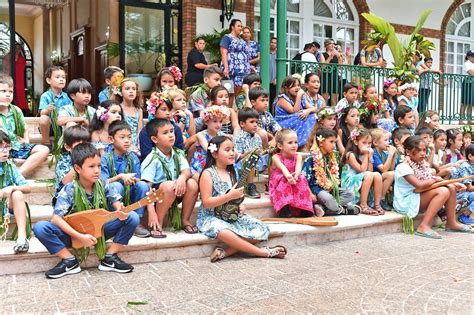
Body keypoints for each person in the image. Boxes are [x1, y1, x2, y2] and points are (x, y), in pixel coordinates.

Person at [33, 143, 139, 278]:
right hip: (73, 234)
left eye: (99, 166)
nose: (97, 171)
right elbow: (56, 218)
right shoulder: (69, 189)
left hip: (99, 230)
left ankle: (109, 258)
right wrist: (80, 237)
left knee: (132, 217)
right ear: (77, 168)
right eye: (91, 166)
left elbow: (117, 203)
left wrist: (120, 210)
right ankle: (69, 261)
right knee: (40, 227)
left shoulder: (104, 184)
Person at [197, 135, 287, 262]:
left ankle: (225, 252)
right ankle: (262, 253)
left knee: (261, 229)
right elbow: (206, 203)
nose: (232, 153)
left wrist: (239, 206)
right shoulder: (208, 173)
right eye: (227, 150)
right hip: (211, 216)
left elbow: (236, 197)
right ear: (215, 154)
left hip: (230, 215)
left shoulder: (232, 171)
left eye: (233, 149)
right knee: (222, 231)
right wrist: (229, 196)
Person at [393, 135, 472, 239]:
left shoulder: (422, 164)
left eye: (424, 150)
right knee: (443, 191)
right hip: (406, 201)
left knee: (451, 188)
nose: (423, 153)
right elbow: (420, 185)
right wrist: (437, 179)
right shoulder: (403, 167)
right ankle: (423, 226)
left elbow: (429, 183)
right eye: (418, 150)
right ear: (408, 152)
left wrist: (451, 184)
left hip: (418, 195)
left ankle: (451, 223)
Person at [140, 119, 198, 236]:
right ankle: (159, 223)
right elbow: (146, 187)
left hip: (176, 191)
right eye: (165, 133)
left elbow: (187, 171)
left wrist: (182, 178)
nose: (171, 135)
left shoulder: (177, 153)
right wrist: (151, 212)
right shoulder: (152, 158)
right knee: (169, 185)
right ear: (154, 139)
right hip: (157, 197)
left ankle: (185, 220)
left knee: (192, 183)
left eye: (172, 131)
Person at [101, 120, 153, 238]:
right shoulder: (105, 158)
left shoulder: (133, 157)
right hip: (111, 199)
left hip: (129, 195)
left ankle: (136, 222)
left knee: (143, 186)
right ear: (111, 139)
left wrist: (133, 180)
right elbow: (102, 183)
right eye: (122, 137)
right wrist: (120, 177)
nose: (127, 140)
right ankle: (114, 220)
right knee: (117, 186)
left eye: (129, 137)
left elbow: (138, 179)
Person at [0, 74, 50, 176]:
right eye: (3, 91)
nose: (8, 94)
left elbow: (25, 129)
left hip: (15, 147)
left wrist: (26, 140)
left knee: (44, 150)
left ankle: (17, 175)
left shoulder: (16, 110)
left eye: (11, 92)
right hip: (1, 148)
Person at [302, 128, 359, 216]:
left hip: (331, 189)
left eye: (335, 142)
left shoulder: (331, 157)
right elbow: (303, 179)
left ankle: (324, 208)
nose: (334, 145)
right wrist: (310, 193)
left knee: (350, 194)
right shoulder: (311, 158)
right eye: (331, 142)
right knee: (328, 199)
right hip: (317, 190)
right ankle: (344, 210)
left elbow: (333, 177)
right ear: (321, 143)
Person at [269, 129, 313, 217]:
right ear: (280, 146)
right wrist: (289, 177)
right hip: (280, 181)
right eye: (290, 143)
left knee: (301, 178)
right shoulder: (276, 157)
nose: (294, 145)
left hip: (293, 178)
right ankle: (284, 209)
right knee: (284, 178)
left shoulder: (298, 156)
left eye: (295, 142)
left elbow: (298, 170)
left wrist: (296, 176)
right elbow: (283, 168)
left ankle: (303, 208)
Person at [340, 128, 385, 215]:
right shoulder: (350, 155)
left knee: (377, 175)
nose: (367, 146)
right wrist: (366, 155)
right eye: (364, 143)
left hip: (362, 177)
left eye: (369, 143)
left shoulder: (366, 153)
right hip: (349, 182)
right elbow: (362, 170)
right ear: (356, 142)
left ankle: (377, 204)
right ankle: (363, 205)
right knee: (368, 175)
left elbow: (370, 171)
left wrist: (370, 158)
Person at [0, 130, 31, 254]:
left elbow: (27, 187)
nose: (5, 151)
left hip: (7, 205)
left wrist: (11, 188)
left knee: (17, 193)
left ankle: (22, 238)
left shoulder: (9, 165)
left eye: (7, 147)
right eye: (0, 147)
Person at [274, 75, 317, 148]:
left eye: (298, 85)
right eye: (294, 86)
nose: (297, 88)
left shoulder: (300, 98)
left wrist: (308, 110)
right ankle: (300, 143)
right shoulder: (282, 98)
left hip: (295, 120)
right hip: (283, 121)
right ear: (286, 88)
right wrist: (299, 96)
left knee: (312, 116)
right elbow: (294, 111)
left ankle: (310, 141)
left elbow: (315, 109)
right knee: (300, 115)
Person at [139, 92, 184, 160]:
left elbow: (180, 151)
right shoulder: (146, 131)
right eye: (163, 110)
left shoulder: (176, 129)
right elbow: (146, 155)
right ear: (154, 111)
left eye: (169, 110)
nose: (168, 113)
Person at [54, 125, 91, 205]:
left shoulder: (91, 158)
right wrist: (79, 163)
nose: (83, 148)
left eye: (85, 144)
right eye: (79, 145)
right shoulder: (64, 161)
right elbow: (65, 182)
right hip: (65, 199)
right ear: (67, 147)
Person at [233, 107, 265, 199]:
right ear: (242, 124)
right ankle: (250, 186)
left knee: (274, 157)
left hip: (257, 164)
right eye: (252, 122)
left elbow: (261, 152)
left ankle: (271, 185)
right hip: (242, 166)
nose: (255, 125)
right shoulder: (238, 137)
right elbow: (238, 158)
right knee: (251, 158)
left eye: (256, 122)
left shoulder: (258, 137)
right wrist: (251, 152)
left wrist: (263, 152)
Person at [191, 105, 229, 178]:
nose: (218, 125)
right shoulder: (200, 135)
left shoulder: (222, 135)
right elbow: (209, 149)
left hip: (216, 163)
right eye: (215, 121)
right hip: (202, 164)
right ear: (206, 122)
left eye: (220, 121)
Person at [39, 66, 72, 146]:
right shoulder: (45, 96)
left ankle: (65, 146)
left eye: (63, 77)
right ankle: (46, 143)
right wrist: (47, 110)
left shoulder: (67, 96)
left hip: (63, 126)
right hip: (50, 127)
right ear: (48, 80)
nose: (61, 79)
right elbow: (42, 113)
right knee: (44, 118)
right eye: (57, 77)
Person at [220, 19, 250, 102]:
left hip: (242, 71)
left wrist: (248, 66)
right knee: (229, 92)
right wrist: (226, 67)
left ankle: (238, 112)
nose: (241, 28)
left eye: (241, 26)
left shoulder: (242, 40)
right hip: (231, 70)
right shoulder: (227, 37)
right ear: (232, 27)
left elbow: (246, 55)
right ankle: (228, 111)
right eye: (238, 26)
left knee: (239, 92)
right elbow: (223, 52)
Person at [111, 78, 143, 152]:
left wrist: (139, 145)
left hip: (136, 144)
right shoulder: (118, 109)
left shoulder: (139, 110)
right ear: (121, 93)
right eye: (127, 89)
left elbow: (139, 130)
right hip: (122, 142)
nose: (131, 91)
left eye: (133, 89)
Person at [370, 128, 396, 210]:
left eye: (388, 140)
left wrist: (394, 155)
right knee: (390, 174)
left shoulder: (384, 153)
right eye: (385, 140)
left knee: (393, 173)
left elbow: (391, 168)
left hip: (381, 177)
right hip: (374, 178)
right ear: (375, 143)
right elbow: (384, 170)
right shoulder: (373, 152)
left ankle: (388, 199)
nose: (388, 143)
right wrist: (390, 155)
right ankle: (381, 199)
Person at [450, 144, 474, 225]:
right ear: (470, 156)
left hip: (466, 193)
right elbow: (469, 188)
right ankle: (464, 215)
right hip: (457, 194)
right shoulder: (465, 167)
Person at [2, 44, 28, 113]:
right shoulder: (7, 57)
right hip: (9, 78)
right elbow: (5, 68)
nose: (17, 50)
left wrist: (16, 60)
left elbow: (22, 67)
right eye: (16, 48)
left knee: (19, 94)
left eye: (19, 48)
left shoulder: (21, 58)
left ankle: (20, 111)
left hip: (19, 80)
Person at [320, 39, 343, 106]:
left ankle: (334, 114)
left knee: (335, 98)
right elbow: (323, 66)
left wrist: (339, 57)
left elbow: (340, 66)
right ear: (326, 45)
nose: (332, 45)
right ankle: (324, 113)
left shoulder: (337, 55)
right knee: (325, 98)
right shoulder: (323, 54)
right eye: (330, 43)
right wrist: (330, 57)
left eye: (333, 43)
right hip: (325, 76)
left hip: (334, 75)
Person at [460, 50, 474, 125]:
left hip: (472, 83)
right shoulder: (467, 63)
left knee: (471, 103)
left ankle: (469, 119)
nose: (473, 57)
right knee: (464, 102)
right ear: (468, 57)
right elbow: (471, 73)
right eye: (472, 56)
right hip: (467, 83)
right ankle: (461, 120)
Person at [269, 37, 278, 106]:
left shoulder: (279, 55)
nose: (273, 44)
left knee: (273, 98)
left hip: (274, 81)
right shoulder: (265, 53)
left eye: (275, 43)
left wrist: (277, 78)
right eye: (272, 42)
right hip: (266, 79)